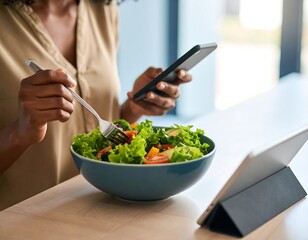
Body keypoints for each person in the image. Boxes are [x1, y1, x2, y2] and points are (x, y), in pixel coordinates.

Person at [0, 0, 192, 210]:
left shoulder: (102, 8)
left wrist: (133, 108)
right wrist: (19, 134)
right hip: (23, 221)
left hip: (102, 212)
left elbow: (96, 134)